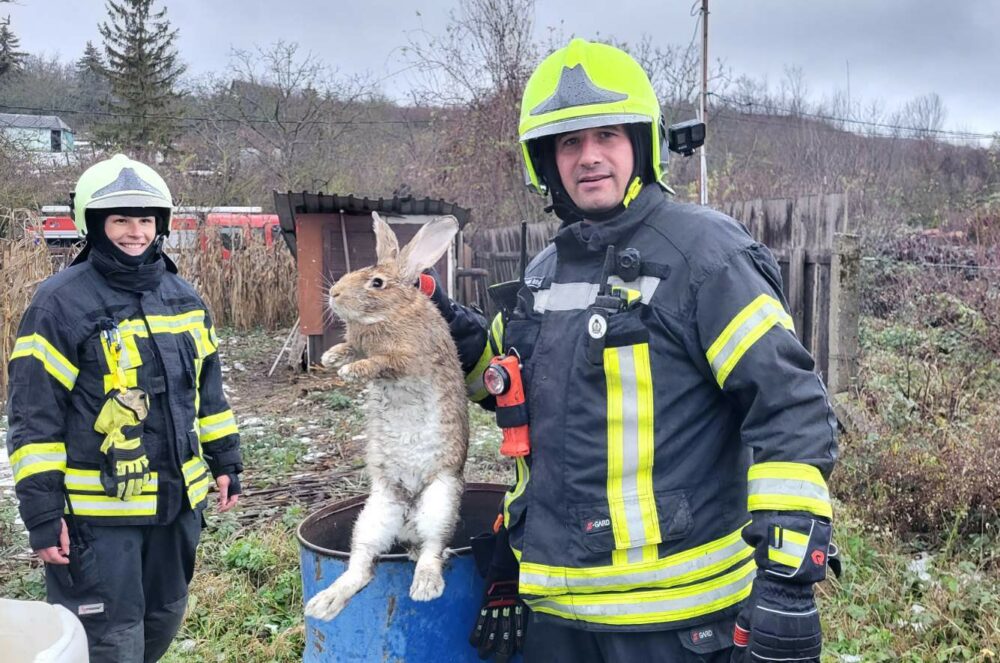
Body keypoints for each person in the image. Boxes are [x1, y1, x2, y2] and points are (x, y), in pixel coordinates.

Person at [432, 39, 839, 662]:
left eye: (608, 136)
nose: (588, 157)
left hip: (676, 625)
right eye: (569, 142)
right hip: (556, 619)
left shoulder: (705, 257)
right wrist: (429, 316)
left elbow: (790, 407)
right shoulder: (545, 272)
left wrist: (788, 584)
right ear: (544, 160)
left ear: (643, 147)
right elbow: (502, 379)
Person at [6, 154, 243, 662]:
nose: (135, 232)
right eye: (120, 220)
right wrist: (43, 514)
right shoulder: (58, 304)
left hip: (176, 509)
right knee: (109, 643)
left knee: (161, 622)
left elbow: (208, 393)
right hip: (97, 521)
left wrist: (226, 460)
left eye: (145, 220)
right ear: (93, 224)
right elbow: (34, 418)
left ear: (161, 224)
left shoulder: (184, 299)